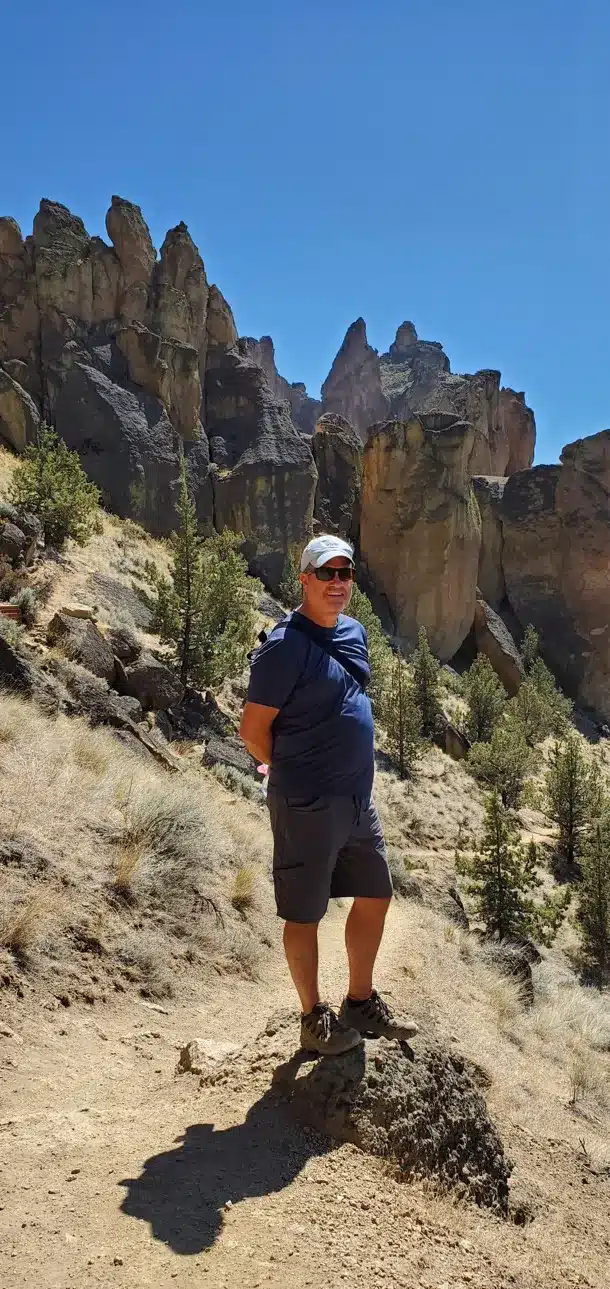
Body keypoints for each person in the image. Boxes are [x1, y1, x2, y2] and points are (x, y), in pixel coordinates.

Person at [239, 534, 419, 1055]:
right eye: (326, 573)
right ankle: (312, 1017)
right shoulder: (283, 646)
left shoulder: (354, 632)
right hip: (307, 801)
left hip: (357, 799)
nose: (337, 582)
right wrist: (293, 771)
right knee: (305, 912)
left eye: (345, 573)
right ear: (305, 579)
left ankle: (359, 1001)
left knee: (376, 893)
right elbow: (252, 731)